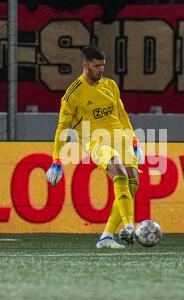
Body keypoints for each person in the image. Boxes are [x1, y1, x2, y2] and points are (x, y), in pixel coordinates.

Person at [46, 45, 144, 249]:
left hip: (121, 137)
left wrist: (134, 141)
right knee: (119, 171)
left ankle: (106, 236)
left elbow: (122, 114)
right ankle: (128, 226)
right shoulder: (73, 93)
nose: (102, 70)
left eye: (103, 66)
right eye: (97, 66)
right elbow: (62, 128)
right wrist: (56, 160)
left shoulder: (110, 85)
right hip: (96, 141)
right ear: (86, 66)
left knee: (133, 183)